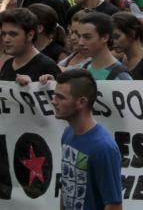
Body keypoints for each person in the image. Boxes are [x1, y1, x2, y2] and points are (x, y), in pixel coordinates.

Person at [52, 68, 124, 210]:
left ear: (81, 102)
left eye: (60, 97)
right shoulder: (67, 134)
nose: (53, 101)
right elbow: (66, 187)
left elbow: (114, 205)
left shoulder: (103, 148)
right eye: (54, 96)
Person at [0, 7, 61, 85]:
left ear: (30, 35)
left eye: (13, 34)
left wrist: (31, 86)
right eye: (3, 34)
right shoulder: (7, 64)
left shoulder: (48, 67)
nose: (6, 39)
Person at [74, 11, 132, 80]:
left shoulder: (121, 77)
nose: (80, 42)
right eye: (79, 36)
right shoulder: (82, 68)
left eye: (87, 37)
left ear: (105, 37)